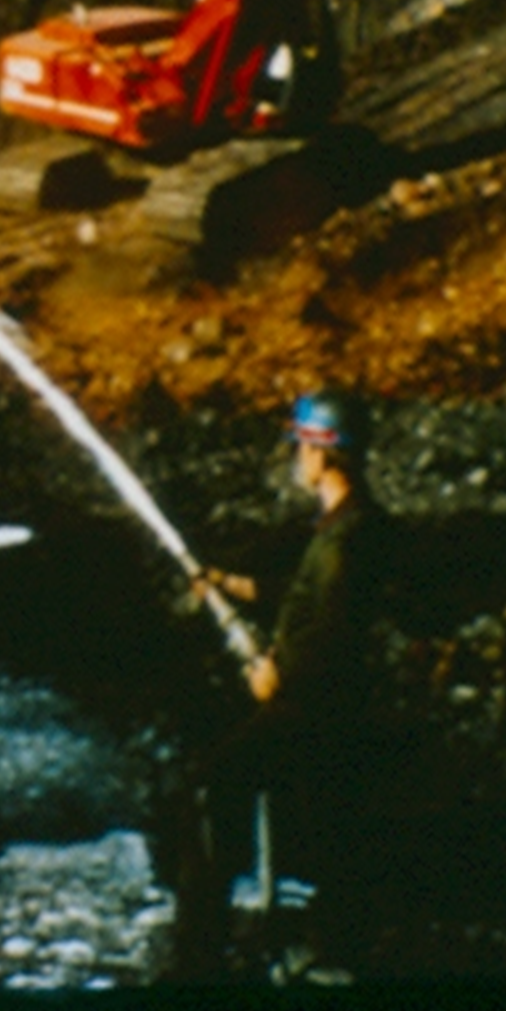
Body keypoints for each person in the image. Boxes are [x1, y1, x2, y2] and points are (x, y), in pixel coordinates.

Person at [173, 389, 390, 977]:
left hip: (318, 716)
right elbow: (303, 597)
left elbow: (327, 633)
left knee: (210, 786)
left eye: (300, 445)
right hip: (325, 706)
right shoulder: (349, 525)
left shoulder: (345, 544)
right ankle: (291, 929)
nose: (296, 457)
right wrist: (231, 586)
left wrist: (276, 676)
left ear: (325, 455)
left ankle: (201, 951)